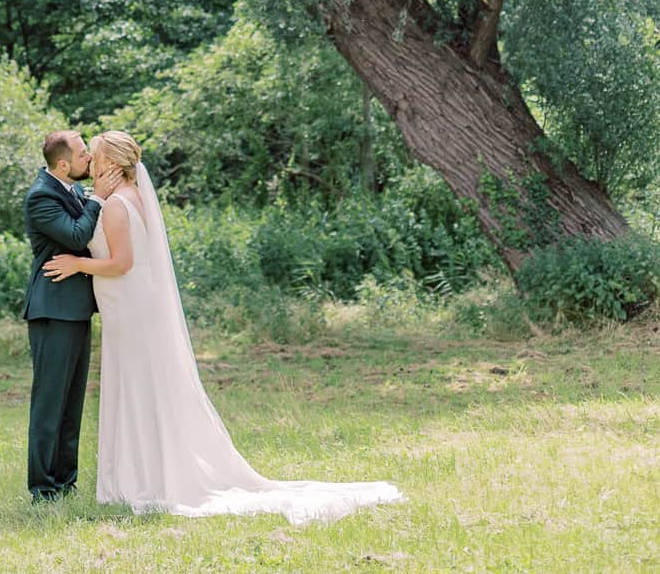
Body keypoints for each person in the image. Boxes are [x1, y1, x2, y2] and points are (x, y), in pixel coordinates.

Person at [44, 130, 403, 524]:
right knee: (142, 387)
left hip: (129, 305)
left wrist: (77, 265)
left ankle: (144, 478)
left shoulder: (115, 206)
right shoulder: (129, 197)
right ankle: (142, 473)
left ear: (112, 163)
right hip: (128, 306)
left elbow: (122, 263)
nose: (90, 162)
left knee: (137, 386)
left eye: (94, 156)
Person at [21, 129, 118, 502]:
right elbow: (77, 237)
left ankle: (66, 480)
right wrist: (99, 199)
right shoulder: (40, 197)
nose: (89, 159)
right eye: (82, 154)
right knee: (50, 402)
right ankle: (43, 487)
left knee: (72, 400)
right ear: (63, 165)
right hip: (52, 310)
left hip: (76, 309)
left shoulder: (71, 190)